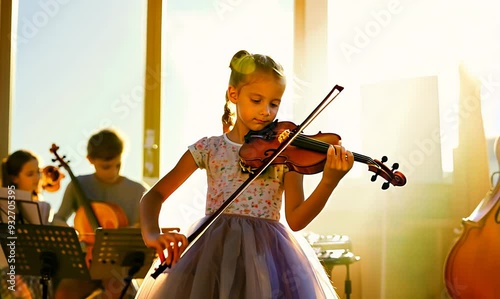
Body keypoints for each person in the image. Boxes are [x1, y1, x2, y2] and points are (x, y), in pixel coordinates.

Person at [136, 50, 354, 298]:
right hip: (212, 253)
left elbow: (296, 219)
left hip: (267, 257)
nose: (266, 112)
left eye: (274, 103)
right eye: (256, 100)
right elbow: (154, 195)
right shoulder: (209, 148)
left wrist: (329, 182)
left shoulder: (287, 153)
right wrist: (152, 234)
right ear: (234, 95)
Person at [52, 128, 148, 299]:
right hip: (85, 263)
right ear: (90, 160)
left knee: (125, 295)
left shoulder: (137, 191)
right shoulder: (77, 185)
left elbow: (140, 232)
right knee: (63, 293)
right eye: (106, 166)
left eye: (118, 164)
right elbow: (59, 218)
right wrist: (71, 234)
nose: (113, 171)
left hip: (120, 267)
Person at [0, 150, 51, 299]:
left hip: (34, 271)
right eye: (30, 174)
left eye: (38, 172)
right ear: (14, 178)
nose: (37, 178)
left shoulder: (43, 207)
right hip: (5, 269)